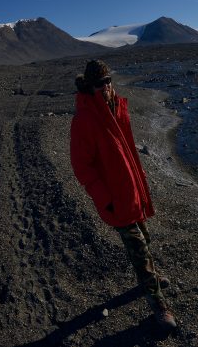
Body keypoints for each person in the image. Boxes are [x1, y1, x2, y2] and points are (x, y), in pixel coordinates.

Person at [69, 60, 177, 329]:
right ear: (89, 87)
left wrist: (140, 180)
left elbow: (127, 150)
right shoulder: (85, 119)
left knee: (144, 239)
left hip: (131, 190)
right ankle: (159, 305)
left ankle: (150, 277)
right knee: (138, 249)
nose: (106, 87)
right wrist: (105, 200)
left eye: (108, 81)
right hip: (116, 198)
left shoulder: (118, 107)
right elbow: (82, 167)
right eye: (100, 84)